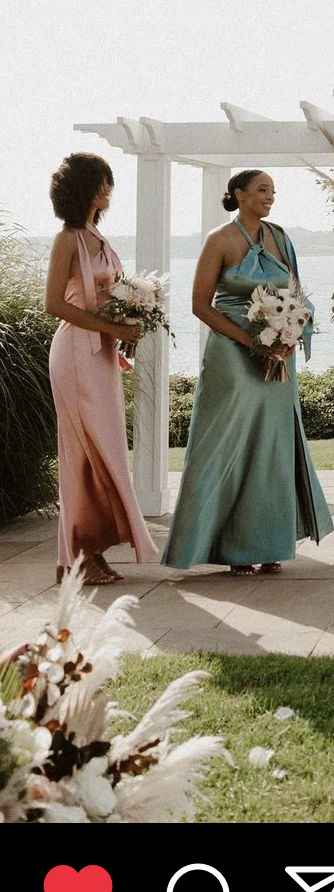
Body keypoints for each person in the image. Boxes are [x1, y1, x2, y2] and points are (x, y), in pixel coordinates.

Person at [160, 170, 333, 573]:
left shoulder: (281, 237)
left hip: (277, 354)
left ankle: (267, 543)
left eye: (273, 190)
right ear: (239, 195)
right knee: (225, 443)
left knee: (273, 445)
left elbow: (295, 293)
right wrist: (250, 340)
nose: (270, 197)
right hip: (232, 354)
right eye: (261, 190)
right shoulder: (218, 240)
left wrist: (288, 335)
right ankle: (225, 548)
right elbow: (200, 305)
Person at [44, 153, 158, 585]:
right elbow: (54, 304)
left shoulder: (100, 238)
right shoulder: (66, 240)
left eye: (108, 182)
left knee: (106, 451)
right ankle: (75, 556)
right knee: (81, 454)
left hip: (103, 354)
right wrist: (111, 325)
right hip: (74, 355)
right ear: (80, 191)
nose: (107, 190)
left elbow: (110, 295)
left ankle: (91, 548)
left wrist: (130, 320)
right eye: (99, 183)